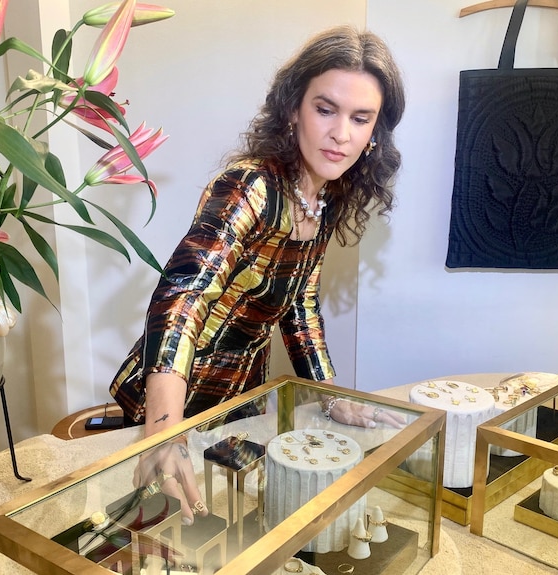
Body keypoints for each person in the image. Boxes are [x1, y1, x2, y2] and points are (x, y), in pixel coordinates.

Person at [111, 24, 406, 525]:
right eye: (325, 109)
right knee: (161, 531)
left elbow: (300, 301)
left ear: (375, 133)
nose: (342, 134)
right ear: (294, 109)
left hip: (243, 398)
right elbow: (184, 296)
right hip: (172, 403)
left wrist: (332, 399)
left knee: (232, 527)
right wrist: (165, 432)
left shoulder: (327, 196)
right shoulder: (250, 186)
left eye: (361, 118)